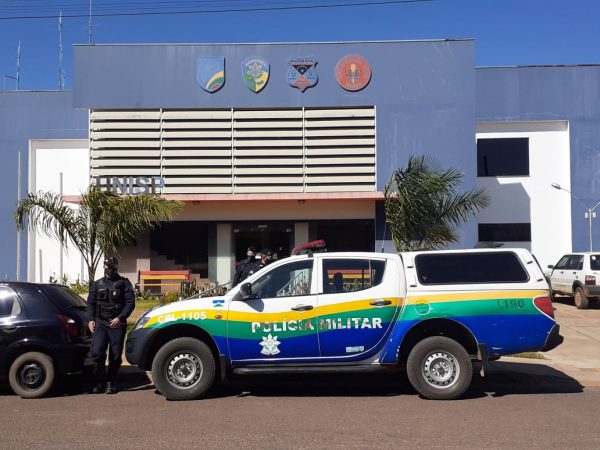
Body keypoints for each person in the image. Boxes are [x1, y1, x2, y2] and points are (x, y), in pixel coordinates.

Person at [87, 256, 135, 394]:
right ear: (104, 267)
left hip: (117, 324)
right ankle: (99, 381)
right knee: (97, 352)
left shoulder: (124, 283)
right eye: (108, 267)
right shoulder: (97, 284)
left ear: (116, 267)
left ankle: (111, 382)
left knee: (115, 355)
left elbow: (130, 303)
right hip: (100, 323)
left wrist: (120, 318)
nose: (110, 269)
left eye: (113, 267)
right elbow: (91, 303)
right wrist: (90, 319)